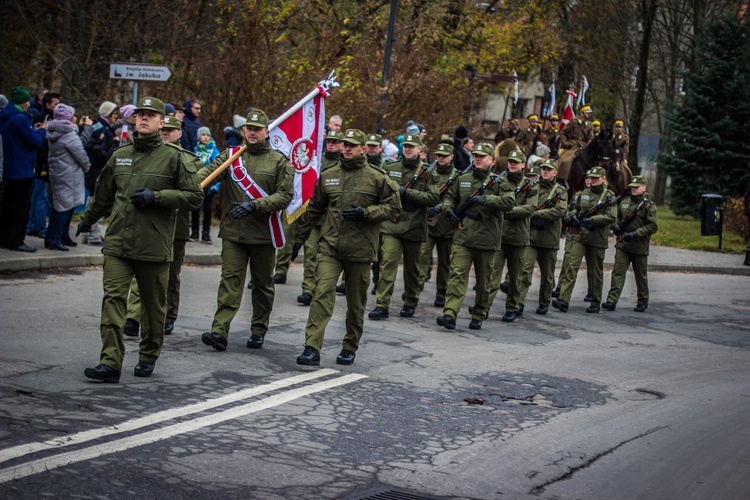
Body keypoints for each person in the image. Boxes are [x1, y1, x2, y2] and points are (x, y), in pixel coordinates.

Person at [78, 97, 204, 382]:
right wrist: (87, 219)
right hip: (119, 243)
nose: (144, 118)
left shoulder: (175, 157)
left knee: (152, 306)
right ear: (134, 120)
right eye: (140, 114)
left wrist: (158, 197)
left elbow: (195, 197)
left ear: (162, 123)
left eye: (151, 115)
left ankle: (148, 354)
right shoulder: (120, 155)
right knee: (113, 301)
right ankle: (110, 362)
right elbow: (103, 194)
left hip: (154, 246)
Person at [293, 129, 401, 365]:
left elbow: (394, 209)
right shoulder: (329, 175)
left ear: (363, 148)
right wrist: (299, 239)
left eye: (353, 145)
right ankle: (312, 347)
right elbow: (315, 209)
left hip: (361, 250)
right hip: (330, 246)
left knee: (355, 302)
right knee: (321, 294)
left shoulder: (377, 177)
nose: (347, 148)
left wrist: (366, 213)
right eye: (345, 145)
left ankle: (350, 345)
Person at [199, 110, 293, 352]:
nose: (252, 132)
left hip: (264, 234)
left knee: (262, 286)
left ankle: (259, 329)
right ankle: (219, 331)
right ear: (243, 131)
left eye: (257, 129)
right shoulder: (232, 156)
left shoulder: (280, 161)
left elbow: (284, 196)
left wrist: (255, 205)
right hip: (234, 233)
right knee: (229, 282)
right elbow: (206, 175)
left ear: (266, 132)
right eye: (249, 128)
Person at [124, 115, 198, 338]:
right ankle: (133, 317)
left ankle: (169, 315)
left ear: (179, 134)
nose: (166, 134)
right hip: (148, 224)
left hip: (176, 227)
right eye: (164, 131)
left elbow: (193, 193)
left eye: (171, 131)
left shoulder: (188, 160)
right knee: (142, 272)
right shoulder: (148, 155)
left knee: (171, 275)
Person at [436, 143, 515, 329]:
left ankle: (479, 313)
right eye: (476, 155)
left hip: (486, 239)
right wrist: (448, 210)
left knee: (483, 281)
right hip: (463, 236)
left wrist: (485, 199)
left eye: (482, 156)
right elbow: (449, 197)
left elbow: (509, 201)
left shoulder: (500, 182)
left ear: (492, 161)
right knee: (457, 275)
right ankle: (450, 313)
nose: (478, 158)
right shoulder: (463, 178)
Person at [369, 133, 440, 320]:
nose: (407, 149)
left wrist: (407, 193)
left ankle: (410, 301)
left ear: (420, 150)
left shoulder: (427, 172)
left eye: (412, 146)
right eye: (405, 146)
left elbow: (433, 198)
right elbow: (380, 191)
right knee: (388, 264)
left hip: (414, 227)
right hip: (392, 225)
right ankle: (382, 304)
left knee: (412, 269)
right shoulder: (390, 167)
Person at [552, 166, 616, 314]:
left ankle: (595, 301)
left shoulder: (609, 196)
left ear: (603, 179)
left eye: (596, 178)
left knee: (595, 272)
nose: (592, 181)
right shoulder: (583, 193)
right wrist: (574, 215)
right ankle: (563, 299)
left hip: (597, 239)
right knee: (571, 267)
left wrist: (592, 220)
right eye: (591, 178)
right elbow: (576, 208)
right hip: (581, 236)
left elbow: (611, 216)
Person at [486, 150, 539, 322]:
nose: (512, 164)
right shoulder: (499, 181)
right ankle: (483, 307)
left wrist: (508, 210)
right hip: (499, 236)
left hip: (519, 238)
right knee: (492, 277)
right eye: (510, 161)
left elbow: (530, 208)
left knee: (516, 278)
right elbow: (491, 199)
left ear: (523, 165)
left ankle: (512, 307)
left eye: (516, 162)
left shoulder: (531, 186)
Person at [296, 129, 345, 304]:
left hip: (334, 221)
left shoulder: (344, 165)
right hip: (315, 218)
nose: (330, 144)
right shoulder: (316, 161)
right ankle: (308, 289)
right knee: (310, 255)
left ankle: (322, 289)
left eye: (335, 141)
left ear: (342, 144)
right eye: (329, 141)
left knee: (329, 258)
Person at [0, 86, 48, 252]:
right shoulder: (20, 118)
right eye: (26, 101)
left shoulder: (6, 117)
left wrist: (32, 131)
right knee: (21, 208)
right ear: (21, 102)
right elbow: (34, 141)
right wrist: (42, 131)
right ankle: (17, 241)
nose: (29, 104)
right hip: (22, 169)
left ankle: (5, 239)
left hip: (10, 168)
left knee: (8, 207)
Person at [517, 159, 568, 314]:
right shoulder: (533, 187)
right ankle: (518, 303)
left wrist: (537, 214)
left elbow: (559, 211)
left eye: (548, 169)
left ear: (555, 173)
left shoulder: (560, 191)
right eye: (543, 169)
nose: (545, 171)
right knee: (525, 271)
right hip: (531, 237)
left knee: (547, 276)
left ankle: (544, 301)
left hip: (549, 239)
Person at [602, 176, 658, 312]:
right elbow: (618, 218)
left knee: (640, 276)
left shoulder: (649, 206)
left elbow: (652, 226)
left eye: (636, 187)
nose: (633, 189)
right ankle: (612, 300)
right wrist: (615, 226)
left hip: (639, 246)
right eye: (632, 187)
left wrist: (636, 234)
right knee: (618, 273)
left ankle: (643, 300)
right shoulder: (624, 202)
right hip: (623, 245)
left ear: (643, 188)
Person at [44, 103, 90, 251]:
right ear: (69, 118)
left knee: (60, 206)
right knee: (63, 207)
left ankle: (59, 236)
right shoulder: (69, 135)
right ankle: (55, 238)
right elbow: (81, 155)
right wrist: (86, 167)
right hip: (69, 174)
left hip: (59, 172)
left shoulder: (54, 131)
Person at [419, 142, 458, 308]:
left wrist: (441, 207)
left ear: (451, 157)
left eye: (444, 156)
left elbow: (456, 198)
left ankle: (442, 293)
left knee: (445, 264)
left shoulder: (457, 176)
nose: (441, 159)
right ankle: (415, 289)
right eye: (439, 156)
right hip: (428, 224)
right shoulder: (429, 172)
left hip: (447, 226)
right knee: (421, 258)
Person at [80, 100, 119, 246]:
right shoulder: (99, 128)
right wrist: (115, 144)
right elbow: (102, 154)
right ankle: (93, 236)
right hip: (97, 171)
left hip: (97, 171)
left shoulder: (104, 127)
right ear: (108, 114)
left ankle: (86, 234)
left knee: (93, 201)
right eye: (114, 113)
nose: (116, 116)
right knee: (97, 203)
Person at [27, 92, 60, 239]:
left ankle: (33, 225)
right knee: (41, 196)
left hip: (45, 161)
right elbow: (40, 142)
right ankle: (39, 226)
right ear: (48, 105)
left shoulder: (53, 119)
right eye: (55, 104)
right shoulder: (43, 119)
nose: (58, 107)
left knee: (39, 195)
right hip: (42, 162)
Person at [192, 126, 221, 243]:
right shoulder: (195, 150)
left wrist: (216, 185)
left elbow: (218, 169)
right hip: (197, 184)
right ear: (199, 136)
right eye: (203, 135)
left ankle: (206, 233)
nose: (206, 137)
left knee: (208, 209)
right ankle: (194, 232)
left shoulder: (214, 150)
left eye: (208, 135)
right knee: (195, 208)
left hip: (209, 185)